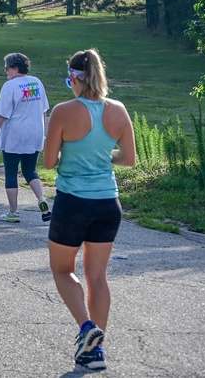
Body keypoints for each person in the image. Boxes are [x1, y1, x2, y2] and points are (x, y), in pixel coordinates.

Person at [44, 49, 136, 372]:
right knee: (97, 276)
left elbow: (48, 161)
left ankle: (86, 327)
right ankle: (96, 352)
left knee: (61, 269)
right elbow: (129, 159)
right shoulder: (119, 111)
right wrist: (101, 156)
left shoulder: (63, 111)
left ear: (74, 78)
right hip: (107, 204)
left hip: (73, 201)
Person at [0, 52, 51, 223]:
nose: (6, 71)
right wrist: (42, 131)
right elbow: (43, 110)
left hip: (14, 135)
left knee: (10, 172)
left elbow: (1, 114)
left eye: (7, 68)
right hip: (34, 133)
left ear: (15, 68)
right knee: (30, 170)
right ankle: (42, 199)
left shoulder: (10, 86)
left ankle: (13, 212)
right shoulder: (36, 82)